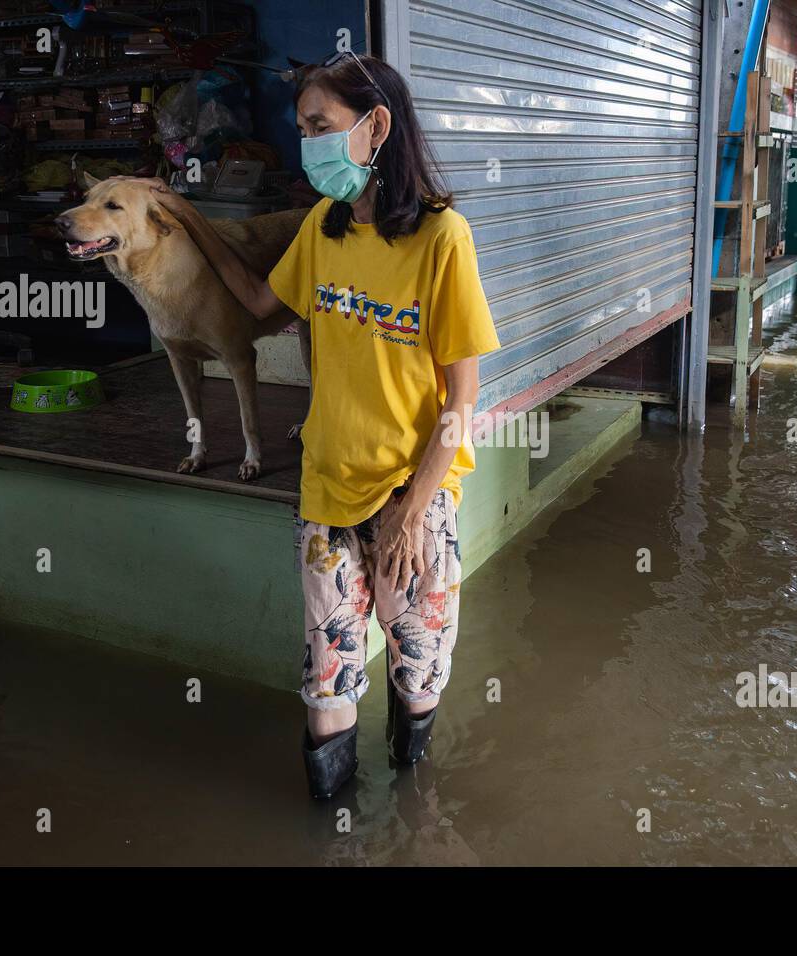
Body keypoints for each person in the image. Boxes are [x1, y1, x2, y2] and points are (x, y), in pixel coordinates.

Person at [135, 51, 500, 799]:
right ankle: (332, 825)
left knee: (417, 665)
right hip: (326, 487)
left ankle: (410, 810)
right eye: (302, 129)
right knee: (327, 682)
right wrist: (187, 220)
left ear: (377, 127)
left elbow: (462, 404)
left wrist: (409, 513)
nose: (308, 145)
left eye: (319, 126)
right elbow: (255, 299)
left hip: (412, 494)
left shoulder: (441, 238)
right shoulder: (322, 229)